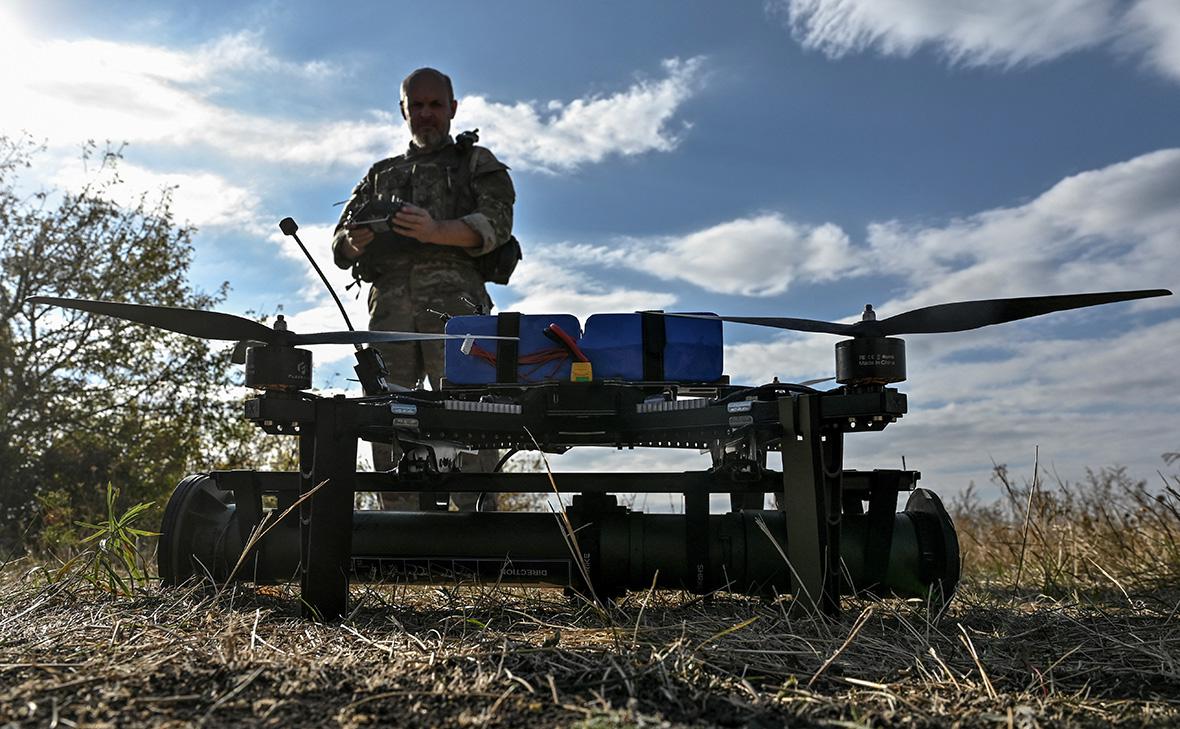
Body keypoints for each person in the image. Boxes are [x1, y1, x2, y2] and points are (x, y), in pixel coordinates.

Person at [331, 67, 515, 510]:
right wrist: (355, 241)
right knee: (386, 420)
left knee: (471, 415)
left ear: (452, 109)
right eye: (417, 106)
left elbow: (497, 225)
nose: (426, 114)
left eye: (435, 105)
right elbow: (339, 246)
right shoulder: (380, 174)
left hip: (457, 311)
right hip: (389, 314)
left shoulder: (475, 163)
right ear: (403, 111)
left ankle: (478, 541)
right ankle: (399, 540)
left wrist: (435, 230)